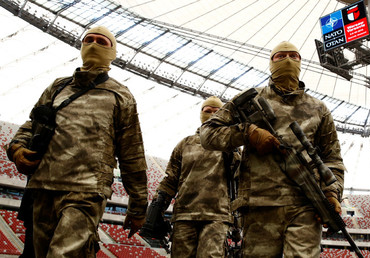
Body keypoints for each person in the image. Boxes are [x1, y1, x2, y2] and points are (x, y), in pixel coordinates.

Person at [6, 26, 148, 257]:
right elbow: (31, 125)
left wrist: (138, 206)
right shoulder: (58, 87)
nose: (93, 44)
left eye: (102, 42)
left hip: (87, 190)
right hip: (43, 186)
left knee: (62, 255)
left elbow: (132, 153)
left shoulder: (120, 95)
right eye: (88, 40)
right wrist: (16, 149)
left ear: (113, 52)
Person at [200, 41, 345, 257]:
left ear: (301, 63)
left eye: (294, 56)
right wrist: (247, 132)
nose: (288, 60)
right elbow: (208, 134)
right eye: (281, 56)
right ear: (270, 62)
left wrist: (333, 192)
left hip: (305, 204)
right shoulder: (250, 99)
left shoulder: (319, 109)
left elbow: (332, 158)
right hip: (260, 206)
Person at [140, 96, 239, 257]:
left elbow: (238, 182)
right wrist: (157, 208)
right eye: (207, 111)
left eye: (216, 111)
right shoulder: (185, 144)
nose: (212, 115)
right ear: (201, 114)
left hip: (217, 216)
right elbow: (170, 180)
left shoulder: (230, 145)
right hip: (184, 215)